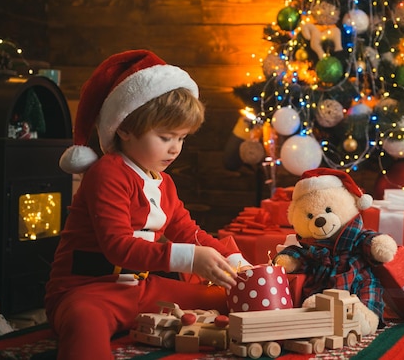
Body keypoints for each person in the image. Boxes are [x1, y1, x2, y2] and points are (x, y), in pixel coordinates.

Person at [45, 50, 251, 360]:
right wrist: (190, 259)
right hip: (86, 291)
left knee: (228, 298)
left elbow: (187, 231)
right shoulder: (108, 172)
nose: (175, 149)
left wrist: (232, 261)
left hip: (140, 291)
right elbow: (116, 246)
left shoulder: (163, 183)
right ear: (124, 129)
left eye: (181, 139)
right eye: (165, 137)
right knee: (84, 323)